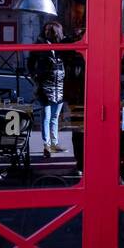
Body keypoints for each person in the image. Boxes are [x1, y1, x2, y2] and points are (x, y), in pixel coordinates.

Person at [29, 20, 68, 157]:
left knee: (55, 116)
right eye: (46, 31)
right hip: (46, 84)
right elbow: (30, 62)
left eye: (50, 31)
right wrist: (35, 77)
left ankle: (54, 143)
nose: (47, 33)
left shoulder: (62, 45)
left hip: (59, 85)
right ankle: (47, 145)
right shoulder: (40, 45)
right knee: (47, 116)